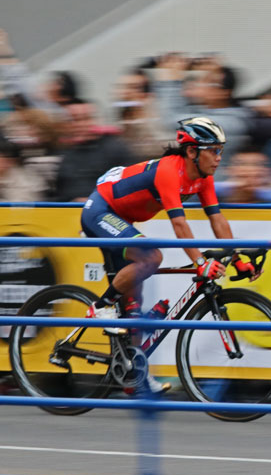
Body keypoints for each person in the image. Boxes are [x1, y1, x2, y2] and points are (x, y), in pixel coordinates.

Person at [79, 117, 259, 393]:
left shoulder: (203, 178)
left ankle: (133, 376)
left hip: (123, 218)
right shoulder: (169, 172)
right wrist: (200, 262)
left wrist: (238, 259)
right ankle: (101, 307)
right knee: (152, 257)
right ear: (191, 151)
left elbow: (218, 221)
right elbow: (179, 224)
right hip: (101, 210)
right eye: (213, 150)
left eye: (220, 150)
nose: (219, 158)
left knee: (133, 312)